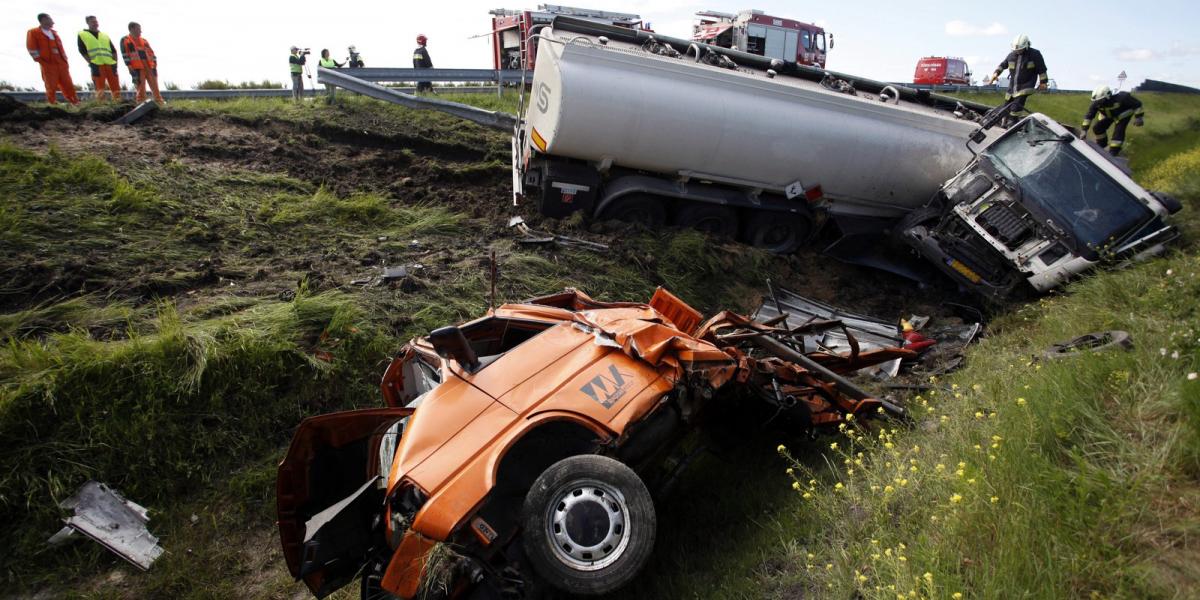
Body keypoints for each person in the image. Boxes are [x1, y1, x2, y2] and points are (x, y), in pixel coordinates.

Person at [986, 34, 1048, 119]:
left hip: (1026, 86)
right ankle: (1002, 121)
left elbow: (1042, 69)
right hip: (1012, 87)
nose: (1018, 51)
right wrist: (996, 73)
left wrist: (1043, 82)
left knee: (1016, 107)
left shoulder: (1035, 54)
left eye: (1020, 49)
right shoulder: (1011, 55)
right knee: (1006, 107)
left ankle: (1012, 122)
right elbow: (1002, 65)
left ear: (1026, 46)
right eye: (1016, 50)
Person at [26, 13, 80, 105]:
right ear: (43, 20)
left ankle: (75, 102)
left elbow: (61, 49)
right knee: (51, 85)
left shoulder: (55, 33)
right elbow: (31, 48)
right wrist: (41, 61)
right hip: (48, 63)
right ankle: (52, 103)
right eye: (50, 19)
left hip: (61, 63)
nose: (53, 22)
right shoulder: (34, 32)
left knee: (68, 83)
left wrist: (65, 61)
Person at [1080, 86, 1145, 156]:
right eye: (1096, 101)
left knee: (1118, 131)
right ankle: (1101, 144)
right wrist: (1084, 130)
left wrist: (1139, 118)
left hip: (1123, 115)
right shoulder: (1096, 103)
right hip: (1109, 115)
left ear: (1108, 96)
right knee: (1097, 128)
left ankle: (1114, 152)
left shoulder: (1122, 97)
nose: (1098, 103)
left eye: (1100, 101)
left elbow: (1137, 104)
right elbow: (1089, 116)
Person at [77, 16, 120, 101]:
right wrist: (91, 63)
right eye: (92, 21)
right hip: (97, 65)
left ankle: (118, 104)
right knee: (100, 89)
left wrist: (115, 63)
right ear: (88, 23)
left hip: (110, 64)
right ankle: (102, 107)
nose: (95, 23)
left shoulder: (104, 35)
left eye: (96, 21)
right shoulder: (82, 34)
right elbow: (82, 51)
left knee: (116, 88)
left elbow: (114, 51)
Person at [120, 22, 163, 103]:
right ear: (132, 29)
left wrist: (154, 64)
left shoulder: (144, 41)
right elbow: (125, 54)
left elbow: (151, 53)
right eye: (138, 29)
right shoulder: (125, 40)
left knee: (155, 86)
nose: (140, 31)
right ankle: (140, 103)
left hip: (149, 66)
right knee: (141, 87)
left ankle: (159, 102)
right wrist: (129, 67)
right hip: (137, 67)